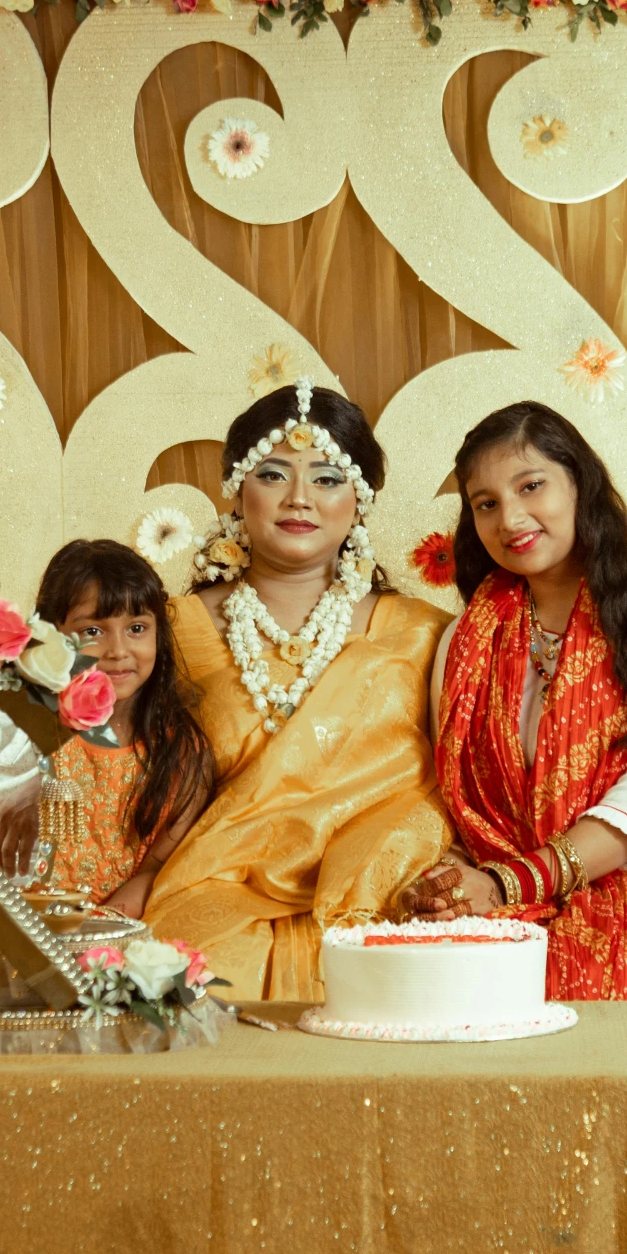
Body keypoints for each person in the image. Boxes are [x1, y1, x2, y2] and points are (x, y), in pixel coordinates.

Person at [396, 404, 627, 1095]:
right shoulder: (464, 641)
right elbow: (465, 803)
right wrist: (454, 884)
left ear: (580, 485)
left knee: (554, 1050)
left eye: (532, 486)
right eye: (486, 503)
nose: (510, 518)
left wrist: (508, 882)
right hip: (504, 907)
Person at [141, 380, 453, 1000]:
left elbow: (466, 784)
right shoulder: (168, 633)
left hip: (385, 895)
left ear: (359, 503)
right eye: (275, 474)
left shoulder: (423, 636)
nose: (300, 499)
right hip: (214, 895)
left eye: (329, 479)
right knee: (179, 978)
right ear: (236, 491)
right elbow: (122, 765)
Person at [0, 540, 215, 915]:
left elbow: (155, 871)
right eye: (92, 632)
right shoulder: (25, 730)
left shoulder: (182, 754)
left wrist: (93, 938)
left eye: (136, 628)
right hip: (13, 928)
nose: (118, 650)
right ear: (53, 634)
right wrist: (39, 775)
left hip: (112, 940)